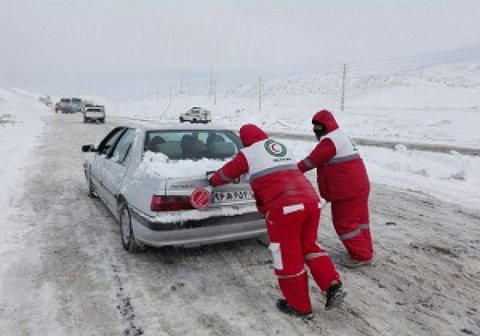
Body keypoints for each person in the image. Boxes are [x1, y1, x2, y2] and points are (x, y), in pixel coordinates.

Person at [208, 123, 345, 318]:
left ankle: (299, 307)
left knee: (287, 256)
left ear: (244, 140)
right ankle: (332, 284)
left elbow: (227, 173)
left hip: (285, 208)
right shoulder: (279, 147)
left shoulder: (248, 153)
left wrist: (211, 181)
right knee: (309, 246)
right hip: (310, 202)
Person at [297, 109, 373, 268]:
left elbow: (311, 161)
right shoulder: (341, 137)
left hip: (346, 190)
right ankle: (366, 250)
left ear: (326, 125)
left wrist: (290, 171)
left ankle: (361, 255)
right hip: (359, 186)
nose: (315, 131)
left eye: (318, 127)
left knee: (344, 223)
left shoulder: (330, 141)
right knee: (360, 221)